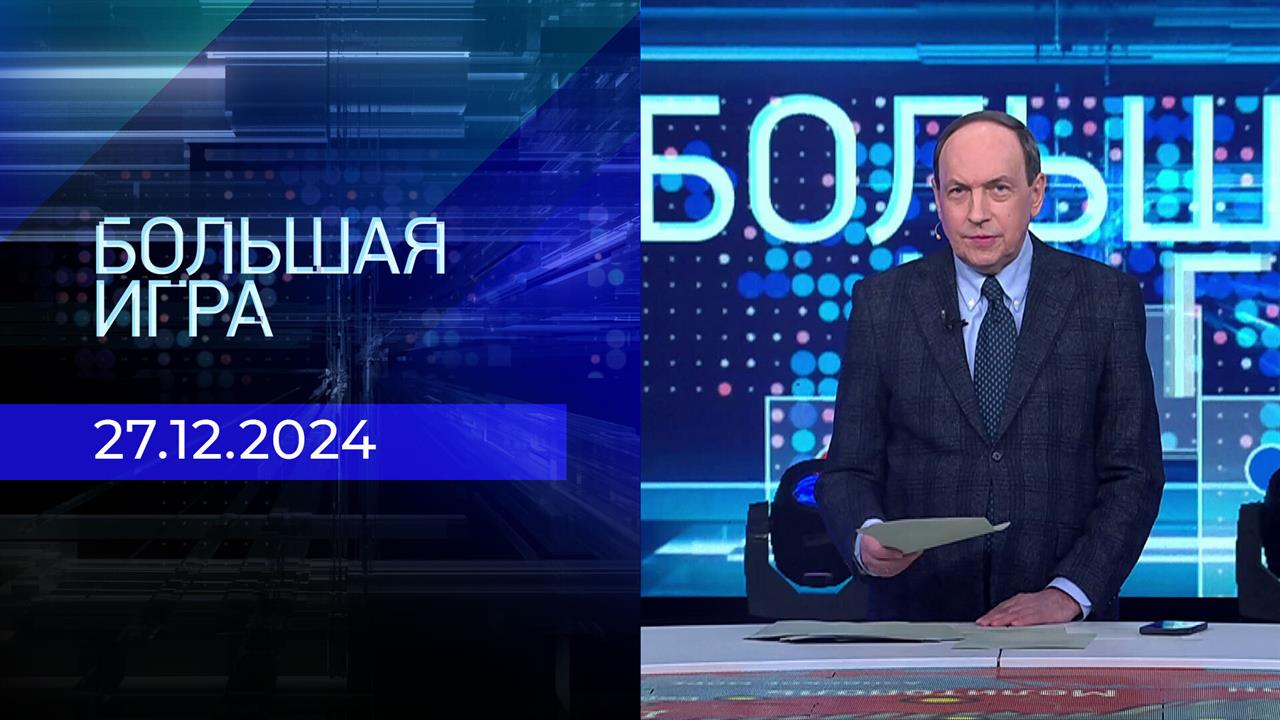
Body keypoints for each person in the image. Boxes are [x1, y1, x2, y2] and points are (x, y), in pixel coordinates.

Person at [817, 110, 1165, 625]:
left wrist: (1069, 594)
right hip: (917, 625)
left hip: (1064, 634)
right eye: (959, 192)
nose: (977, 213)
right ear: (937, 197)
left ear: (1036, 194)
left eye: (998, 189)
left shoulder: (1105, 300)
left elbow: (1134, 475)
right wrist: (866, 537)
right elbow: (848, 470)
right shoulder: (883, 304)